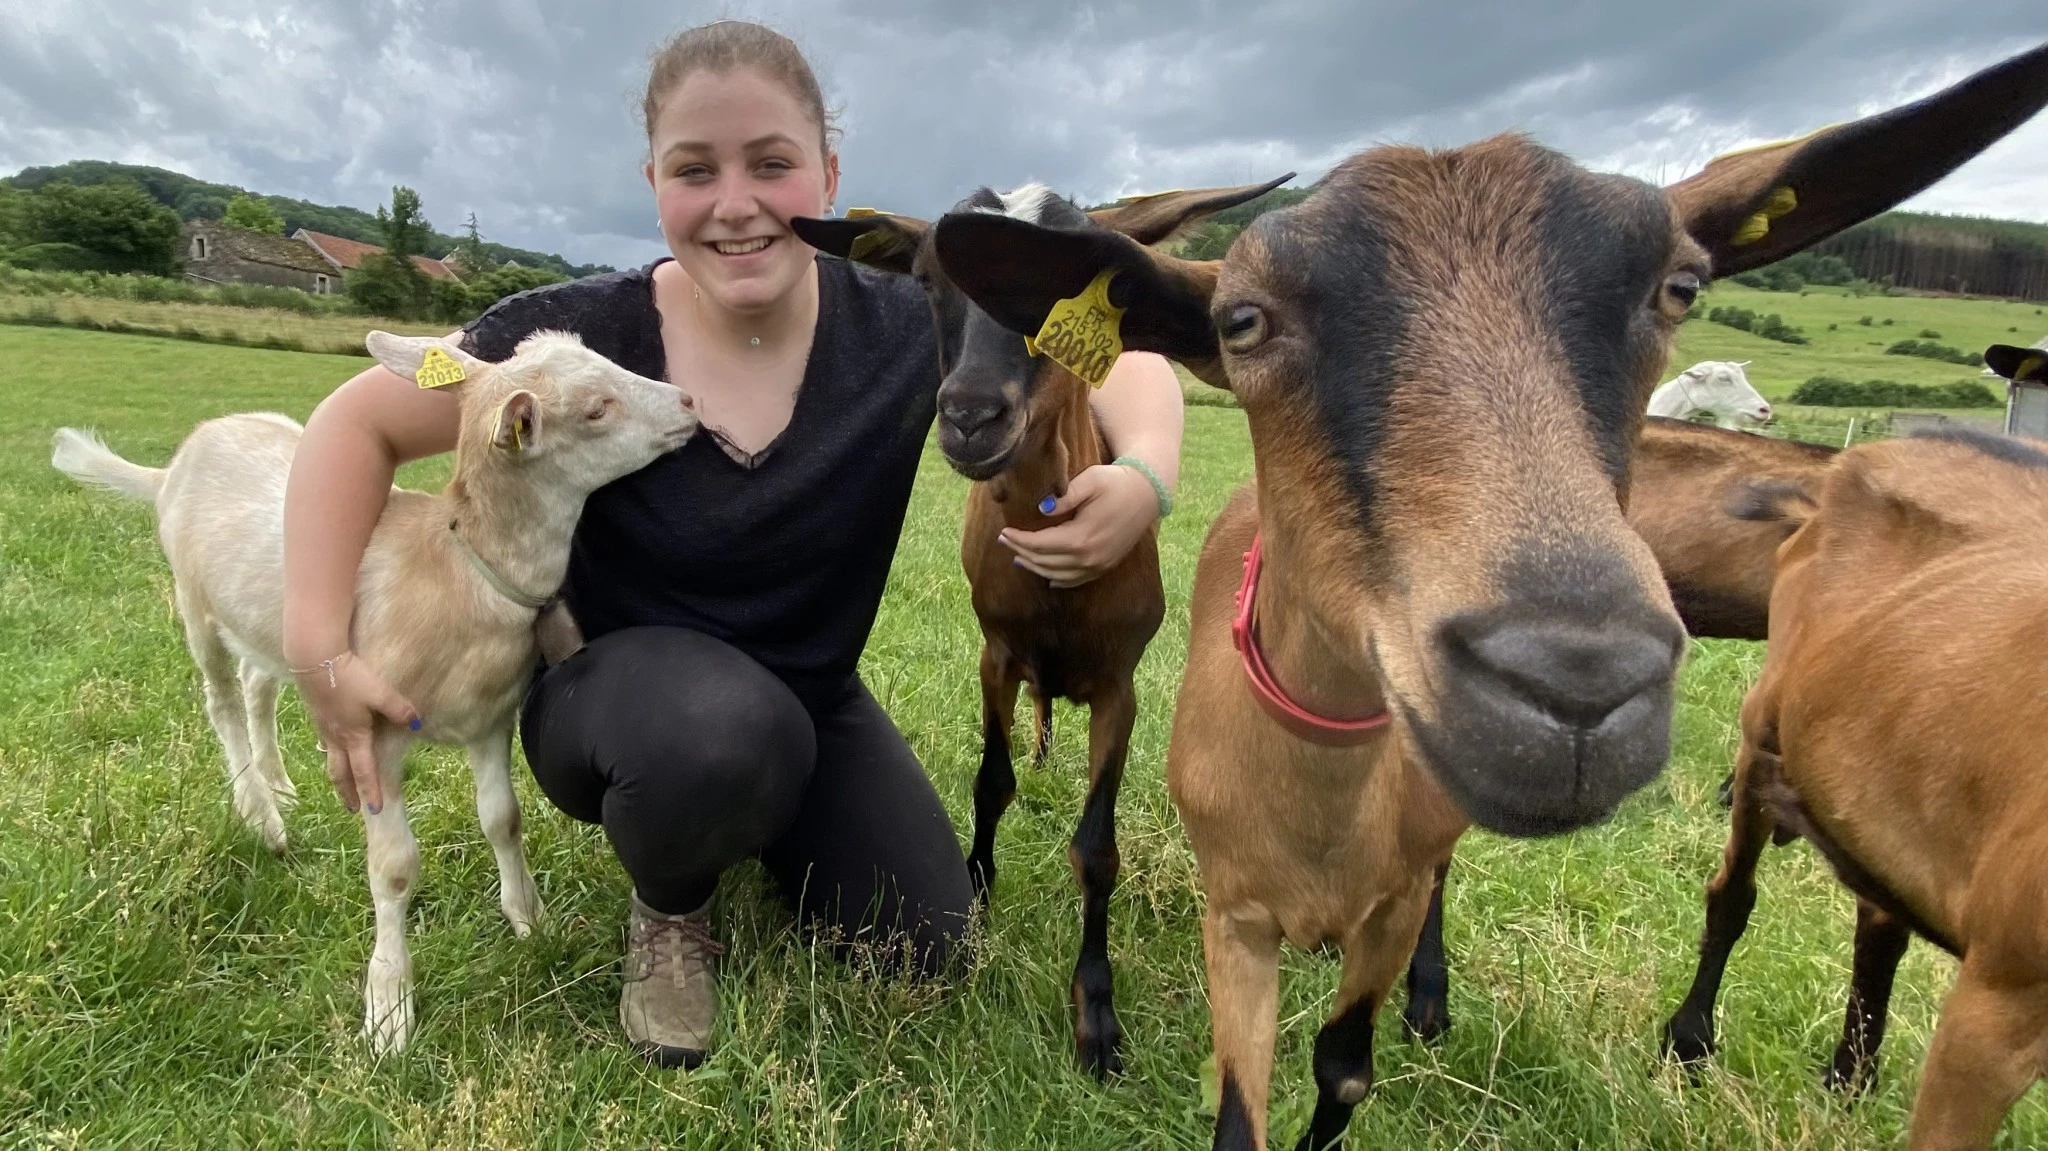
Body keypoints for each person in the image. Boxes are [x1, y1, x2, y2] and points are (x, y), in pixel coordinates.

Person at [279, 19, 1185, 1070]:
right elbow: (358, 423)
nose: (736, 202)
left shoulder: (908, 318)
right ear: (653, 181)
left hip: (807, 693)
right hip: (612, 695)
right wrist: (317, 647)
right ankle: (670, 906)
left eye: (772, 163)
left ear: (829, 173)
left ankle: (743, 807)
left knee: (919, 939)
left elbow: (1122, 358)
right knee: (711, 736)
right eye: (693, 169)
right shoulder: (572, 339)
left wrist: (1144, 477)